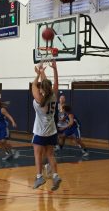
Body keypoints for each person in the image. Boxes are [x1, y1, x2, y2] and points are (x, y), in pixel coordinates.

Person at [32, 61, 61, 191]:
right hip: (52, 131)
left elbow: (34, 84)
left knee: (38, 154)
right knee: (50, 155)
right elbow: (54, 83)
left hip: (40, 132)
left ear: (41, 89)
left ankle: (39, 177)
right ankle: (55, 175)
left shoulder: (38, 100)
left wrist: (38, 74)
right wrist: (54, 69)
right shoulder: (54, 96)